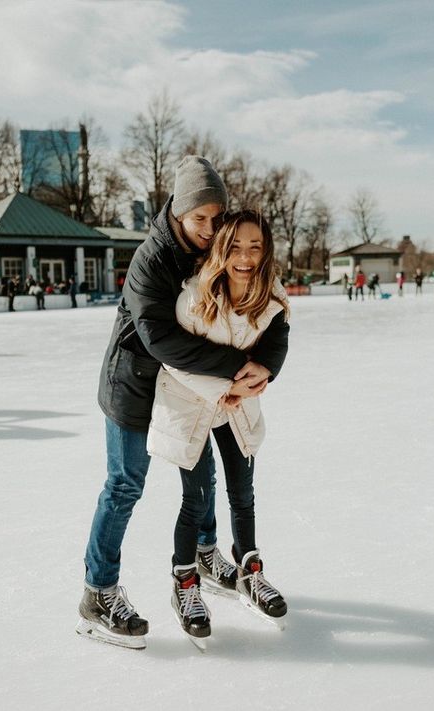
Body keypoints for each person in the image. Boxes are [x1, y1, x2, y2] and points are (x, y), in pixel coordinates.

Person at [77, 156, 288, 649]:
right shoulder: (150, 260)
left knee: (203, 470)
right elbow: (160, 339)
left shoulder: (217, 248)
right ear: (177, 212)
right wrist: (236, 371)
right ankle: (98, 592)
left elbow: (266, 307)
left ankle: (208, 553)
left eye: (218, 218)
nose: (211, 229)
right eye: (201, 219)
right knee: (125, 485)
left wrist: (268, 363)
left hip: (194, 385)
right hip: (134, 384)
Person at [147, 211, 289, 642]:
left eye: (255, 247)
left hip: (238, 406)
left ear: (265, 252)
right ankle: (185, 581)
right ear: (221, 249)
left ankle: (250, 568)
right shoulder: (195, 297)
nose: (245, 257)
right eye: (236, 247)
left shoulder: (270, 296)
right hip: (190, 405)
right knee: (198, 496)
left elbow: (276, 341)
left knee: (242, 492)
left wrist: (257, 378)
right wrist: (227, 386)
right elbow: (176, 360)